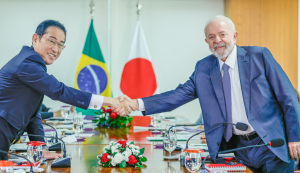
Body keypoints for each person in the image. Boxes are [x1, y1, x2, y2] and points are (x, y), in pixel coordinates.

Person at [115, 15, 300, 172]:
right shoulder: (204, 68)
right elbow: (177, 95)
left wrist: (295, 138)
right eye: (211, 37)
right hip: (237, 149)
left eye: (222, 34)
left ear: (235, 36)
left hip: (271, 145)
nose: (217, 40)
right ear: (206, 42)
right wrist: (135, 104)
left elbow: (288, 98)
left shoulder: (259, 56)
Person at [0, 20, 129, 160]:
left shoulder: (32, 62)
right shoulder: (27, 63)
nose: (55, 49)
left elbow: (34, 114)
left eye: (60, 45)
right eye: (51, 41)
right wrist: (110, 101)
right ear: (35, 39)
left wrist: (40, 148)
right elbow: (60, 91)